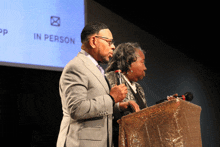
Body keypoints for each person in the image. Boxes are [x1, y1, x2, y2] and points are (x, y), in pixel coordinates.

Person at [56, 22, 128, 147]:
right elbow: (76, 109)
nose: (113, 47)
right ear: (93, 41)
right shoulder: (76, 67)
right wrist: (111, 98)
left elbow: (96, 106)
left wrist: (118, 107)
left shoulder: (95, 68)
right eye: (109, 42)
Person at [105, 42, 148, 147]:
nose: (145, 68)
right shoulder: (109, 79)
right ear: (129, 63)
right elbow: (101, 108)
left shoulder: (139, 88)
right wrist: (119, 107)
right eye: (142, 62)